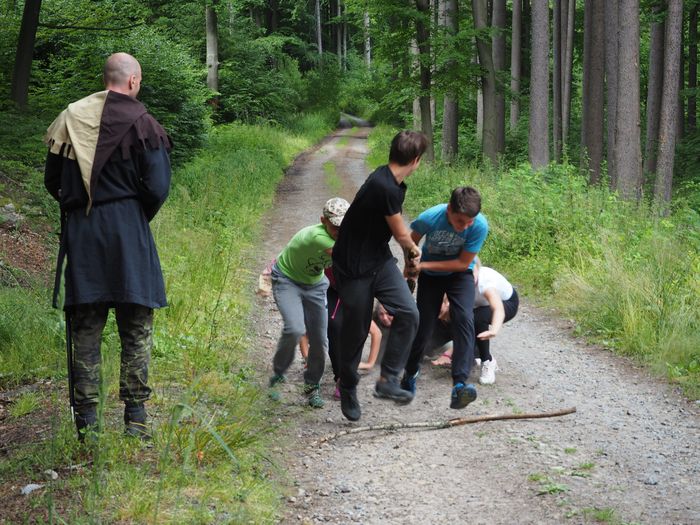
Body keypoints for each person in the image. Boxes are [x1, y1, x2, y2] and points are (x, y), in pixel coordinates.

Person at [44, 53, 172, 440]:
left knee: (86, 328)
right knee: (136, 326)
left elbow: (52, 182)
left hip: (84, 232)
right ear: (132, 81)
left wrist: (82, 207)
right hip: (129, 232)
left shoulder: (70, 119)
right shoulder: (144, 123)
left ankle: (88, 425)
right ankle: (135, 420)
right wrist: (132, 213)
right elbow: (158, 187)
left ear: (107, 79)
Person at [332, 130, 427, 422]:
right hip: (353, 267)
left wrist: (408, 258)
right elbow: (401, 234)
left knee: (409, 313)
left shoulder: (394, 184)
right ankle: (347, 385)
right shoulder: (383, 185)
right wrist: (413, 252)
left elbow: (395, 232)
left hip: (378, 259)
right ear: (416, 160)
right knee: (357, 331)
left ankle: (388, 379)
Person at [400, 186, 488, 409]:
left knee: (464, 318)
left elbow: (462, 263)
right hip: (431, 278)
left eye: (469, 222)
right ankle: (410, 373)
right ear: (449, 209)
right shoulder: (431, 217)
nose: (465, 226)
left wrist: (424, 265)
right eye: (460, 221)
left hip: (460, 274)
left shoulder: (479, 225)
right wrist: (410, 264)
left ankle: (459, 385)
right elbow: (410, 241)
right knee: (425, 326)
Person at [268, 198, 349, 408]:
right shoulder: (317, 237)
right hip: (287, 280)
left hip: (315, 284)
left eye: (344, 226)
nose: (340, 231)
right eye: (335, 227)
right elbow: (348, 255)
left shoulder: (341, 235)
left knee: (321, 341)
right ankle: (278, 375)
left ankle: (312, 386)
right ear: (323, 221)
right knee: (295, 329)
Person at [430, 265, 519, 385]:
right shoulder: (454, 280)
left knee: (478, 318)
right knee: (457, 317)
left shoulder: (485, 285)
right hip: (479, 305)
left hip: (507, 303)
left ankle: (487, 361)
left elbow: (498, 309)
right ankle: (468, 352)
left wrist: (494, 330)